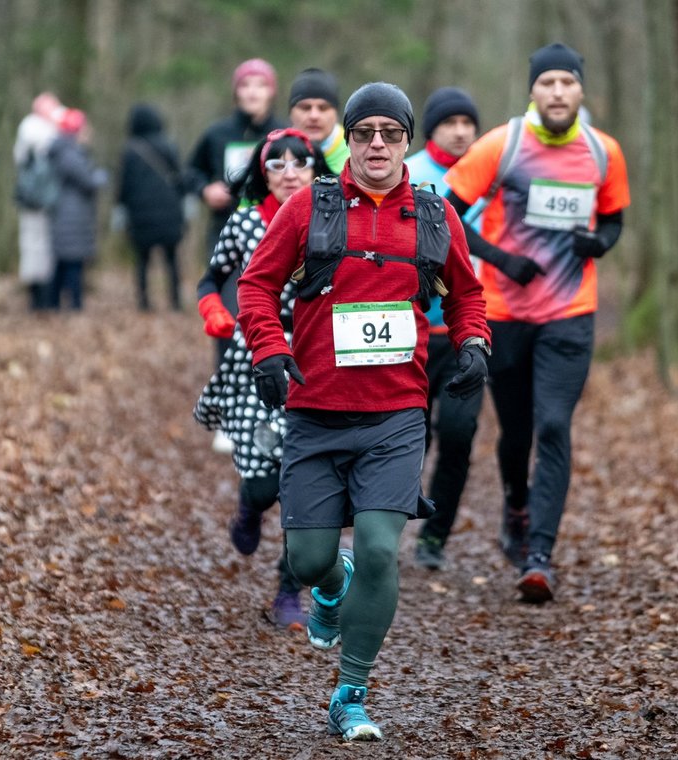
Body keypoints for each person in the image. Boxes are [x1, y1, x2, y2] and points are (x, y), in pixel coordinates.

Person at [237, 82, 490, 741]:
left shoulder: (435, 216)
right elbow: (256, 285)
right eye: (365, 131)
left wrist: (472, 345)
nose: (378, 143)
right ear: (347, 139)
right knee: (312, 558)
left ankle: (351, 693)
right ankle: (330, 583)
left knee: (381, 550)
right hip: (316, 410)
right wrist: (269, 351)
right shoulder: (308, 210)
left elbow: (468, 295)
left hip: (396, 413)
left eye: (392, 133)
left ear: (408, 141)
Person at [444, 43, 631, 603]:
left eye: (566, 83)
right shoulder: (504, 145)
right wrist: (500, 260)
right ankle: (515, 503)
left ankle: (539, 556)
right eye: (546, 82)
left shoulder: (603, 153)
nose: (556, 92)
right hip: (504, 313)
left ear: (580, 90)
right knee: (517, 431)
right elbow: (445, 208)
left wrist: (598, 242)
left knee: (553, 427)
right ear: (532, 90)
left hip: (570, 315)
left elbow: (615, 220)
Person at [194, 129, 330, 630]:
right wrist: (212, 307)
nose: (290, 172)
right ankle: (249, 509)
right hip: (256, 357)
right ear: (262, 173)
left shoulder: (333, 221)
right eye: (277, 164)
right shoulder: (245, 222)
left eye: (300, 162)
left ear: (317, 170)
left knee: (306, 485)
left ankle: (288, 591)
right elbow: (212, 276)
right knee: (265, 483)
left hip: (317, 360)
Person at [187, 57, 286, 453]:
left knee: (279, 324)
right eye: (245, 86)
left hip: (276, 238)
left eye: (259, 86)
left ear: (271, 91)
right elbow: (189, 172)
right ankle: (229, 414)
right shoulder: (216, 134)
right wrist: (204, 189)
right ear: (236, 92)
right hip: (227, 238)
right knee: (229, 320)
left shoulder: (281, 137)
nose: (251, 93)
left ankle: (274, 410)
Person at [404, 87, 483, 570]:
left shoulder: (490, 176)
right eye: (449, 121)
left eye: (467, 122)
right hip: (408, 333)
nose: (460, 130)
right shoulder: (407, 172)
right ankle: (391, 523)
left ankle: (435, 537)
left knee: (459, 433)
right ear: (431, 127)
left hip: (464, 333)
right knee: (412, 438)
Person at [116, 103, 186, 312]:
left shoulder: (129, 150)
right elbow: (180, 180)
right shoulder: (169, 146)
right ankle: (175, 302)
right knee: (172, 259)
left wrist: (120, 210)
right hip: (169, 214)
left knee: (142, 261)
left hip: (140, 216)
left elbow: (124, 186)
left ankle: (144, 303)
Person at [47, 109, 107, 311]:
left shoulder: (66, 152)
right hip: (70, 217)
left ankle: (56, 305)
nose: (89, 133)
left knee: (64, 264)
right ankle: (73, 306)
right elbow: (88, 181)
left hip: (69, 215)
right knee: (72, 264)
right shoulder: (69, 154)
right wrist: (100, 177)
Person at [13, 92, 63, 311]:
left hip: (37, 201)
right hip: (38, 201)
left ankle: (40, 299)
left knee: (36, 247)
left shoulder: (32, 132)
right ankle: (40, 299)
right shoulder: (39, 131)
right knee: (38, 248)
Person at [287, 67, 349, 174]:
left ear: (337, 114)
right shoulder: (274, 153)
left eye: (323, 108)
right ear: (290, 113)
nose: (314, 116)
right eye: (305, 107)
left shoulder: (355, 152)